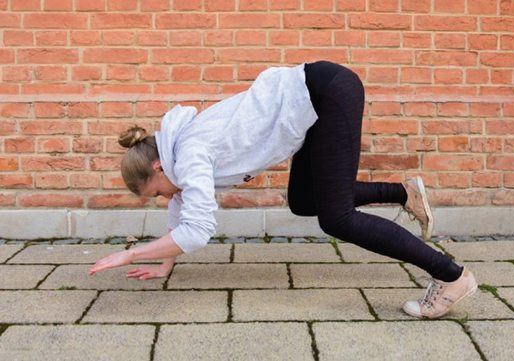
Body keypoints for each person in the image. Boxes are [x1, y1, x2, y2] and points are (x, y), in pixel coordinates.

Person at [88, 61, 477, 319]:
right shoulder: (177, 154)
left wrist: (131, 254)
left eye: (155, 192)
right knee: (305, 200)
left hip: (327, 93)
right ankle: (402, 193)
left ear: (157, 167)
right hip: (315, 100)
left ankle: (452, 276)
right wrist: (164, 262)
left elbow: (196, 229)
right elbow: (184, 206)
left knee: (337, 218)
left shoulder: (188, 153)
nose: (163, 199)